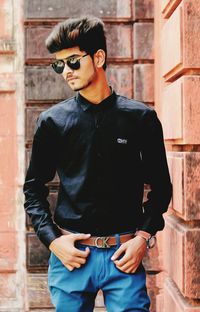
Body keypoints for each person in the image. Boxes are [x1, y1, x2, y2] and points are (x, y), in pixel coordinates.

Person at [23, 16, 172, 312]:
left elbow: (162, 187)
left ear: (99, 57)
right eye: (59, 65)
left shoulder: (140, 119)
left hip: (124, 256)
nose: (66, 71)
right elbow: (33, 190)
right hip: (72, 256)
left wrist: (143, 237)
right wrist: (53, 242)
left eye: (74, 61)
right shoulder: (52, 122)